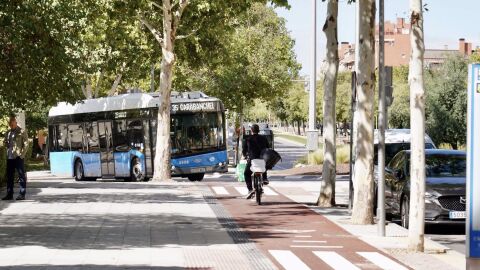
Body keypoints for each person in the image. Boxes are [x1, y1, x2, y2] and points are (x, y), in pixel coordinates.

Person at [2, 115, 29, 201]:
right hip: (10, 157)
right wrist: (5, 142)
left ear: (15, 123)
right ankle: (9, 194)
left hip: (18, 157)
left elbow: (26, 144)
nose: (11, 126)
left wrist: (22, 155)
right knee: (10, 176)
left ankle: (22, 194)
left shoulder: (22, 131)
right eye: (10, 124)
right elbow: (6, 144)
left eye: (12, 124)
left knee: (21, 176)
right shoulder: (8, 132)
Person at [242, 124, 269, 199]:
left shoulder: (248, 139)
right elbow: (267, 148)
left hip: (252, 159)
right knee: (264, 165)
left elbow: (244, 150)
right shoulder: (264, 138)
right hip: (262, 158)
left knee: (246, 173)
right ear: (258, 130)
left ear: (251, 130)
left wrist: (244, 155)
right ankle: (264, 178)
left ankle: (250, 189)